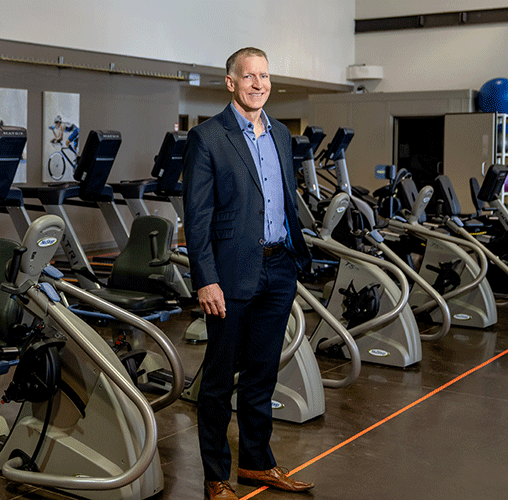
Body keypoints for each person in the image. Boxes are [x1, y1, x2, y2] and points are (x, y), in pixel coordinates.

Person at [183, 47, 314, 500]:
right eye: (249, 76)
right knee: (219, 382)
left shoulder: (280, 133)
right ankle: (216, 476)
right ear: (230, 82)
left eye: (264, 75)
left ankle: (257, 465)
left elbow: (284, 200)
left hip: (278, 267)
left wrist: (297, 255)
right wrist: (205, 277)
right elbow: (196, 218)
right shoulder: (208, 137)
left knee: (262, 376)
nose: (258, 83)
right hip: (231, 273)